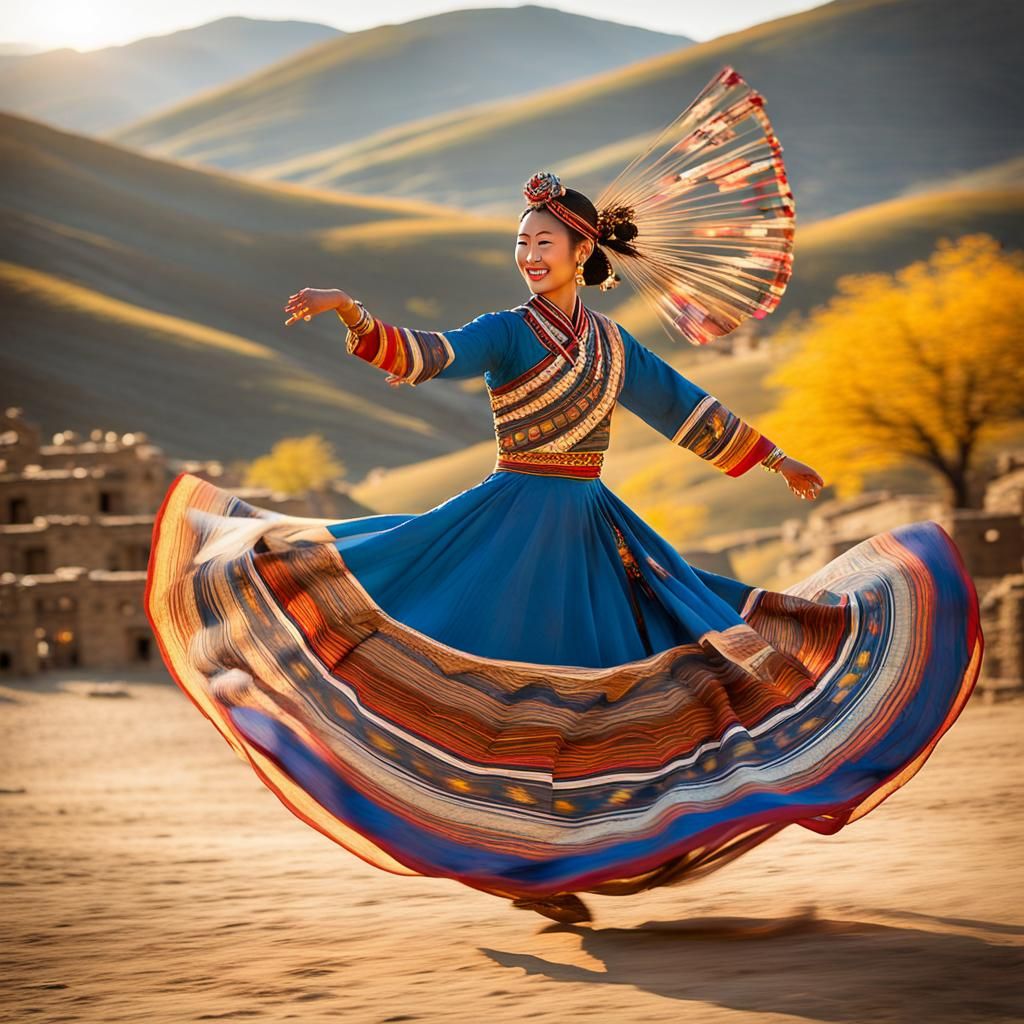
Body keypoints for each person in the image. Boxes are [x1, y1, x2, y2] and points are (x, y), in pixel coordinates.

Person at [145, 69, 982, 927]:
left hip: (590, 530)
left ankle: (569, 857)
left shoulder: (615, 347)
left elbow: (687, 411)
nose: (527, 254)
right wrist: (355, 316)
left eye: (542, 241)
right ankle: (511, 860)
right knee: (498, 685)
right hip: (508, 524)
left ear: (584, 253)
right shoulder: (507, 332)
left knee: (601, 689)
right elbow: (426, 354)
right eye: (519, 244)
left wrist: (778, 461)